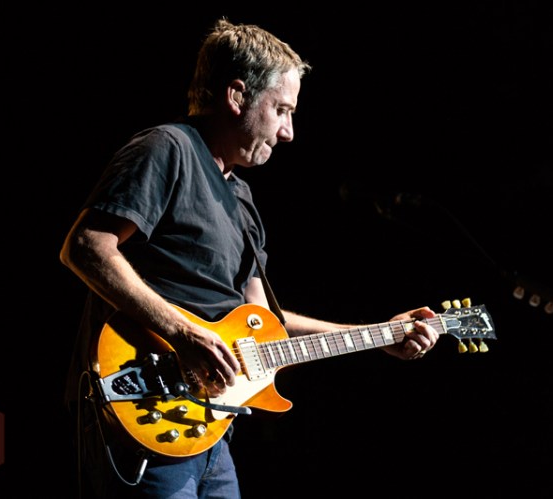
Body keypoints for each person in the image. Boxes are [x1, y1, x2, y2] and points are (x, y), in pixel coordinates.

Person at [59, 17, 440, 498]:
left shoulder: (242, 200)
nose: (288, 132)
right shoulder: (168, 148)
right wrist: (182, 333)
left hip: (209, 426)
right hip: (142, 405)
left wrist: (380, 335)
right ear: (237, 95)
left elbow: (265, 322)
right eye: (281, 110)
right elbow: (86, 246)